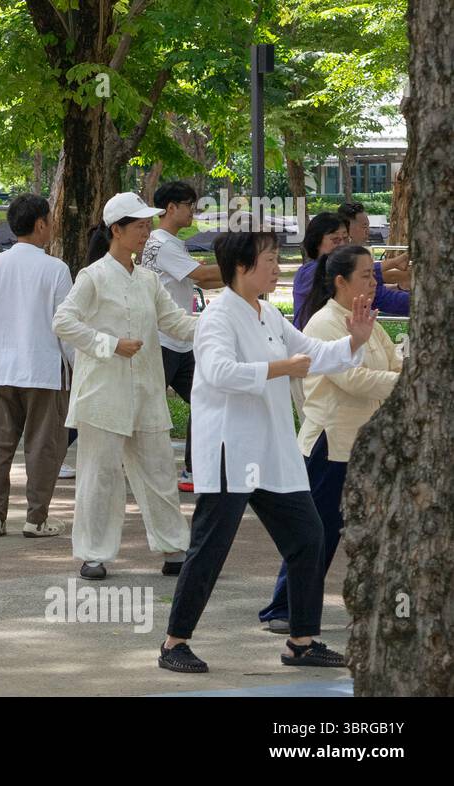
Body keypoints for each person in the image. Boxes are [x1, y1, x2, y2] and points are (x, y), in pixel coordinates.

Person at [159, 231, 372, 673]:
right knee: (209, 548)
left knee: (308, 538)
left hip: (271, 453)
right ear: (242, 267)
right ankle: (174, 642)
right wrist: (280, 368)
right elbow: (218, 372)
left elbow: (314, 353)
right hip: (230, 451)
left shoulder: (269, 315)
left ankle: (301, 641)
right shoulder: (218, 316)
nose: (278, 268)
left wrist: (354, 340)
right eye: (270, 260)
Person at [257, 245, 401, 633]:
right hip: (329, 444)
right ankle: (284, 609)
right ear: (340, 281)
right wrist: (405, 382)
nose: (374, 282)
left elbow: (390, 362)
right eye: (366, 275)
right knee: (313, 534)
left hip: (365, 444)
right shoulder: (324, 323)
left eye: (374, 275)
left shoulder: (367, 321)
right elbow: (352, 379)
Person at [52, 192, 195, 580]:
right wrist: (109, 345)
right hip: (103, 395)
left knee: (160, 472)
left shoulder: (147, 279)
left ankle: (173, 547)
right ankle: (93, 554)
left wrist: (219, 326)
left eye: (148, 225)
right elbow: (63, 321)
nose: (146, 233)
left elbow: (177, 323)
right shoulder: (93, 276)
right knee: (100, 477)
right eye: (139, 226)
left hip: (147, 392)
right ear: (116, 230)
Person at [0, 194, 73, 538]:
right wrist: (75, 370)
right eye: (49, 220)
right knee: (43, 447)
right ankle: (35, 518)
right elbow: (66, 327)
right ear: (40, 224)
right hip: (43, 370)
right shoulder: (56, 269)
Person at [139, 182, 224, 494]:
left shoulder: (167, 243)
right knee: (139, 410)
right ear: (170, 208)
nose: (193, 211)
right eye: (189, 205)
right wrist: (243, 270)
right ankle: (61, 450)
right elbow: (199, 276)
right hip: (162, 340)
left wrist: (240, 275)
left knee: (206, 398)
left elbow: (200, 276)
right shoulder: (161, 244)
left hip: (180, 340)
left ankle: (191, 469)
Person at [293, 212, 407, 330]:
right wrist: (393, 264)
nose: (343, 245)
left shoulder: (356, 285)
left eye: (346, 238)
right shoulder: (306, 274)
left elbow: (387, 298)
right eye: (335, 240)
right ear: (316, 242)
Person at [339, 200, 410, 284]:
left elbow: (378, 285)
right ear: (347, 228)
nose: (368, 231)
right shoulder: (338, 255)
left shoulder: (358, 252)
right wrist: (394, 263)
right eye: (364, 227)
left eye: (368, 226)